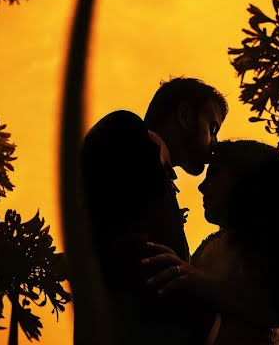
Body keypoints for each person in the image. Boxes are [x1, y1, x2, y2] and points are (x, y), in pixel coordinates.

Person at [79, 77, 228, 345]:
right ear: (184, 115)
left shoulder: (159, 179)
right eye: (212, 127)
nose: (215, 143)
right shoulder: (125, 131)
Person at [142, 140, 279, 345]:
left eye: (214, 173)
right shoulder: (214, 246)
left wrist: (198, 280)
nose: (202, 187)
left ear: (246, 179)